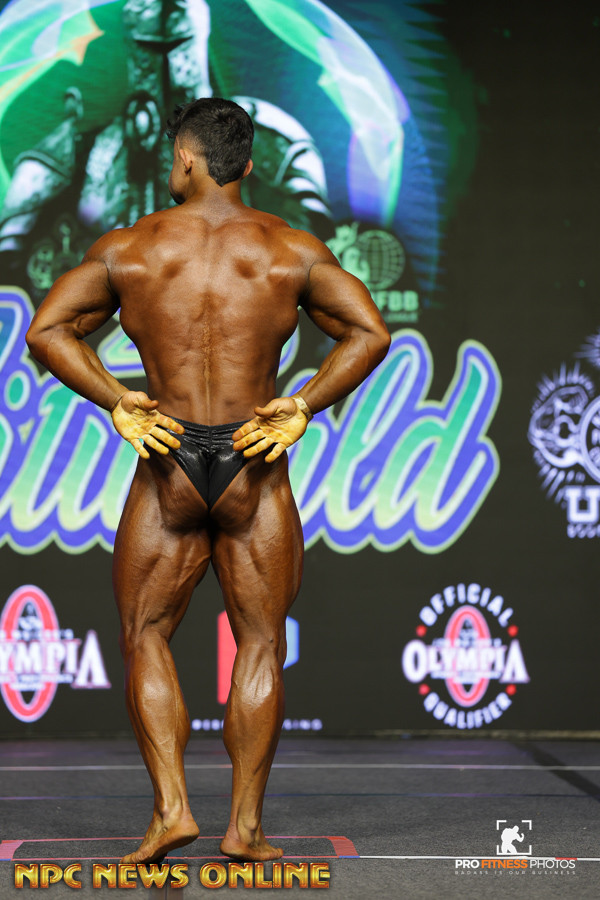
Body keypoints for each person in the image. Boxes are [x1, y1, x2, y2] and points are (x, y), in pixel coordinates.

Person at [26, 97, 390, 864]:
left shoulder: (132, 247)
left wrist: (118, 400)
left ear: (186, 160)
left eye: (173, 157)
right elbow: (369, 332)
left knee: (145, 633)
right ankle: (245, 828)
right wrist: (302, 406)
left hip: (169, 461)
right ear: (248, 165)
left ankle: (171, 812)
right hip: (254, 461)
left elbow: (47, 330)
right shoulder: (290, 248)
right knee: (260, 641)